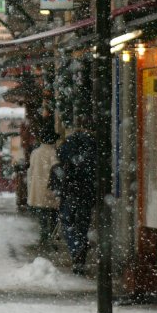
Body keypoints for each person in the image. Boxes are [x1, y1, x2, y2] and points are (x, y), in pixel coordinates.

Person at [55, 117, 98, 275]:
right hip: (87, 190)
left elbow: (60, 155)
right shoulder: (94, 144)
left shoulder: (71, 141)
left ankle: (76, 248)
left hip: (71, 189)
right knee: (83, 222)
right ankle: (81, 250)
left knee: (67, 221)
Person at [26, 127, 61, 247]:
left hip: (37, 189)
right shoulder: (52, 152)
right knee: (53, 216)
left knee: (42, 216)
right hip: (49, 188)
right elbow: (57, 170)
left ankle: (43, 237)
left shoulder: (35, 152)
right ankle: (50, 238)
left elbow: (30, 171)